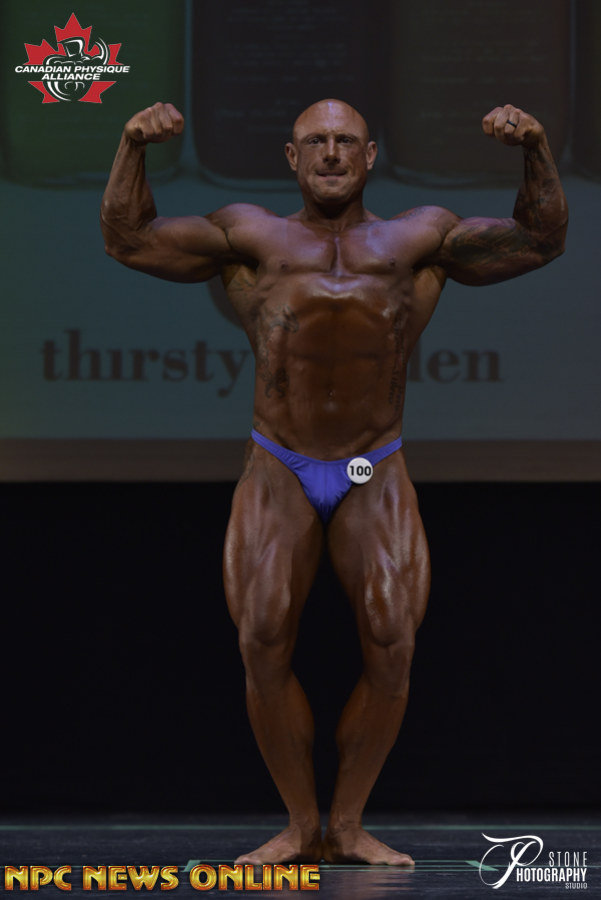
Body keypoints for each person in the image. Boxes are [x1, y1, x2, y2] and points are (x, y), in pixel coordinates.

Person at [101, 99, 567, 865]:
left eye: (344, 141)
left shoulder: (418, 238)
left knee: (391, 641)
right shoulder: (249, 235)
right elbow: (127, 240)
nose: (329, 153)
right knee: (260, 638)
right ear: (291, 158)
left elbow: (540, 241)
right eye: (314, 142)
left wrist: (535, 148)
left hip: (369, 464)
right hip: (279, 461)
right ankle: (298, 824)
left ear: (370, 155)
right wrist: (132, 146)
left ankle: (346, 824)